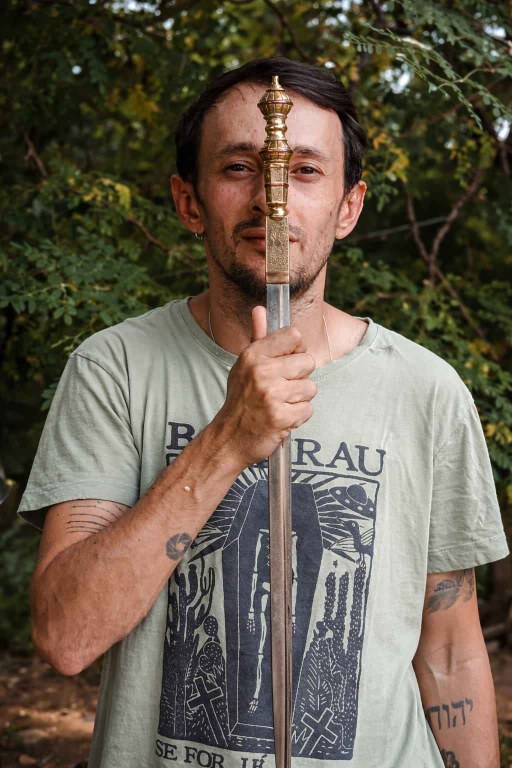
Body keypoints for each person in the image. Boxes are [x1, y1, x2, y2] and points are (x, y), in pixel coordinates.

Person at [18, 57, 509, 768]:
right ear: (189, 202)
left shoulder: (426, 391)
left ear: (349, 206)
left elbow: (452, 651)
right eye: (238, 168)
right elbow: (66, 638)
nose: (270, 202)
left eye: (304, 170)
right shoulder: (114, 369)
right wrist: (226, 440)